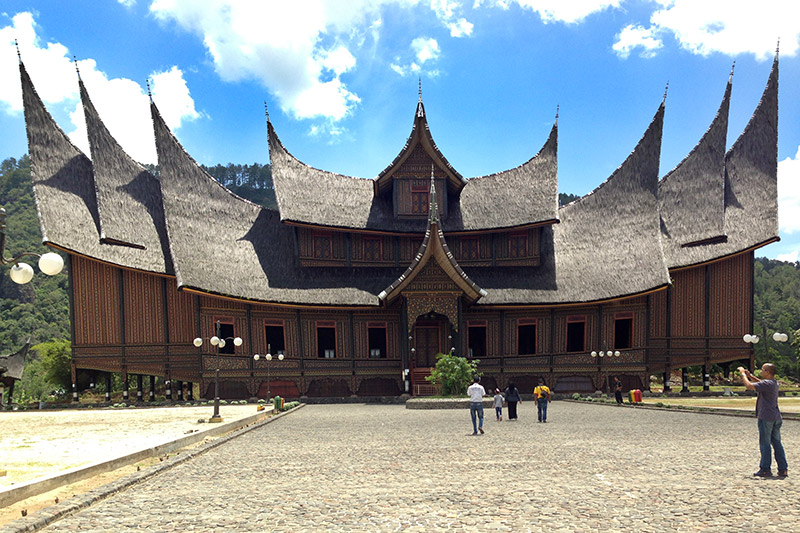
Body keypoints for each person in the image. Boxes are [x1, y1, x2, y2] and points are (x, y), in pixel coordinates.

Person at [739, 363, 788, 478]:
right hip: (776, 417)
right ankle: (783, 468)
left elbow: (749, 386)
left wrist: (743, 375)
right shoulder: (773, 383)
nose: (761, 371)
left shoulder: (767, 384)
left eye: (762, 370)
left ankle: (765, 468)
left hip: (766, 417)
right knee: (777, 443)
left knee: (765, 443)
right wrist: (750, 375)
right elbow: (760, 382)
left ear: (767, 372)